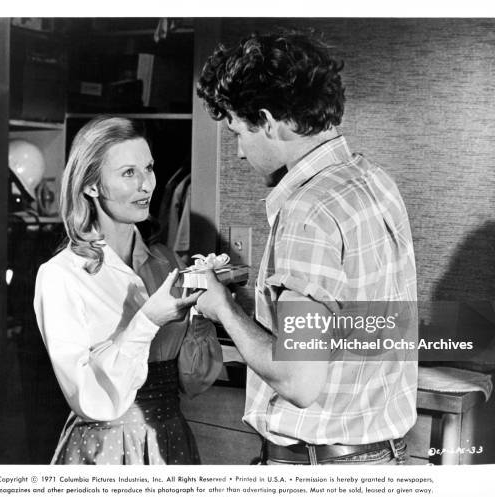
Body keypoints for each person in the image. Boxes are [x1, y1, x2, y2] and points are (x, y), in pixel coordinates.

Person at [195, 30, 418, 465]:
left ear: (269, 120)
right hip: (380, 458)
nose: (238, 153)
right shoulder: (374, 182)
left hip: (320, 468)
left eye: (237, 132)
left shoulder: (307, 211)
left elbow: (299, 380)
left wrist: (221, 305)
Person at [34, 116, 222, 465]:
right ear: (91, 186)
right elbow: (89, 398)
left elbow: (194, 383)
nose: (147, 185)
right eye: (128, 173)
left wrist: (203, 306)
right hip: (106, 448)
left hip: (170, 438)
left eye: (148, 168)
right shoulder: (60, 276)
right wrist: (148, 320)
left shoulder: (164, 263)